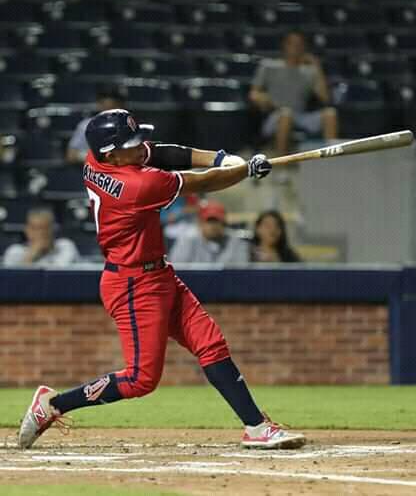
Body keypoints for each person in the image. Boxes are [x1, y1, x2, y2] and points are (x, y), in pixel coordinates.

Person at [18, 109, 306, 451]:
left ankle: (256, 427)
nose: (141, 147)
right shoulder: (138, 185)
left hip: (159, 274)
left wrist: (223, 158)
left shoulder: (99, 160)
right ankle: (53, 405)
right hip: (132, 286)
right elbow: (204, 182)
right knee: (142, 379)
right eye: (132, 143)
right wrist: (245, 170)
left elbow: (167, 152)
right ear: (111, 152)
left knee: (210, 342)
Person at [249, 30, 338, 156]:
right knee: (286, 114)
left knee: (330, 114)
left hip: (301, 115)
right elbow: (254, 93)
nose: (296, 48)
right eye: (293, 44)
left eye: (300, 45)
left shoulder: (310, 71)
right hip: (276, 114)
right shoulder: (268, 66)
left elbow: (324, 98)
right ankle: (282, 165)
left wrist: (316, 66)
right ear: (285, 45)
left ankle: (330, 161)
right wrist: (262, 99)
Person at [170, 199, 249, 265]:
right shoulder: (187, 241)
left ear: (224, 223)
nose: (213, 226)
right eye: (209, 221)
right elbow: (178, 271)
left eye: (217, 221)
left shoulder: (236, 243)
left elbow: (240, 272)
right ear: (200, 224)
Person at [66, 87, 127, 164]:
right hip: (93, 171)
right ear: (99, 105)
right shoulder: (85, 125)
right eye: (106, 108)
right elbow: (71, 155)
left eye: (113, 108)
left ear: (121, 106)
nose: (109, 113)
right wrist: (98, 159)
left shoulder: (130, 126)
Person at [3, 208, 79, 267]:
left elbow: (60, 276)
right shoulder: (15, 252)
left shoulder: (65, 246)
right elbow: (11, 281)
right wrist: (31, 256)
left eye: (45, 228)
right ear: (27, 230)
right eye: (35, 228)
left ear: (53, 229)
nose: (41, 233)